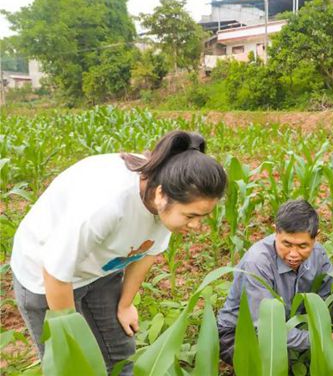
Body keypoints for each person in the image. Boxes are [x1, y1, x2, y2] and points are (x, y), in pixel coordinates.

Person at [10, 131, 227, 375]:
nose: (197, 226)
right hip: (45, 277)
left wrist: (125, 305)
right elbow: (55, 273)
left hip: (101, 270)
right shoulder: (106, 204)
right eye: (191, 216)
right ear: (160, 195)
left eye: (203, 216)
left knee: (121, 356)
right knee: (70, 366)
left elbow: (148, 252)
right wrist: (72, 341)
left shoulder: (170, 189)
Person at [216, 199, 333, 365]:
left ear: (316, 237)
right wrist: (324, 340)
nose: (293, 254)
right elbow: (265, 328)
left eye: (303, 246)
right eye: (286, 244)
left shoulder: (318, 254)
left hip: (290, 324)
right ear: (276, 232)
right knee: (271, 363)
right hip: (240, 333)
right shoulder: (258, 262)